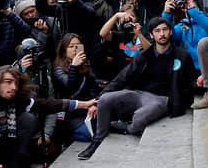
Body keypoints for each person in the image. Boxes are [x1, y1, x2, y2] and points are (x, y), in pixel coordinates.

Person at [78, 17, 196, 160]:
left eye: (165, 29)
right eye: (157, 31)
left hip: (162, 99)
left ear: (170, 32)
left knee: (140, 117)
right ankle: (97, 140)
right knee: (105, 99)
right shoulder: (144, 56)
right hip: (139, 94)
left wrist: (181, 100)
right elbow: (122, 77)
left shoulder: (182, 56)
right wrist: (97, 100)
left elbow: (190, 83)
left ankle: (128, 128)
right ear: (151, 35)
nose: (162, 34)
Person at [0, 66, 96, 168]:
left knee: (28, 119)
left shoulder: (16, 99)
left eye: (16, 83)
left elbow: (47, 104)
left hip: (3, 142)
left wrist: (83, 104)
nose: (14, 87)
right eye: (8, 82)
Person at [52, 33, 100, 142]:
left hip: (87, 109)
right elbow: (69, 87)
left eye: (77, 46)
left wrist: (94, 104)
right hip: (71, 113)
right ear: (64, 49)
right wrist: (73, 67)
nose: (74, 49)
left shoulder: (85, 63)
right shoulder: (58, 68)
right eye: (71, 46)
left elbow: (92, 88)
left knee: (102, 130)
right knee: (91, 135)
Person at [162, 0, 208, 71]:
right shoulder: (182, 26)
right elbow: (168, 35)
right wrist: (166, 14)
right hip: (189, 71)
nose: (186, 5)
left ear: (197, 4)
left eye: (188, 1)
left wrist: (193, 11)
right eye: (183, 3)